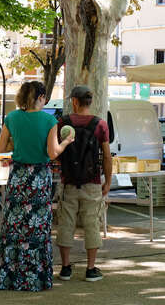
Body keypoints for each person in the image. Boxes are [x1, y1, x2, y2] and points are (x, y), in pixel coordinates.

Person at [0, 81, 73, 291]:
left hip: (18, 176)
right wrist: (66, 142)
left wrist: (17, 143)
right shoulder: (49, 120)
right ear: (41, 97)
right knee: (37, 227)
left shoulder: (12, 117)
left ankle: (8, 277)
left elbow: (1, 147)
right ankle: (35, 278)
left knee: (14, 225)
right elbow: (53, 152)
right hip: (39, 177)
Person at [56, 85, 113, 282]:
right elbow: (106, 156)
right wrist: (108, 181)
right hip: (92, 183)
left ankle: (65, 268)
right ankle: (90, 268)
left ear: (74, 101)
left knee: (66, 223)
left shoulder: (62, 124)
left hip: (68, 182)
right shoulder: (100, 125)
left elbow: (57, 152)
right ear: (90, 101)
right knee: (92, 224)